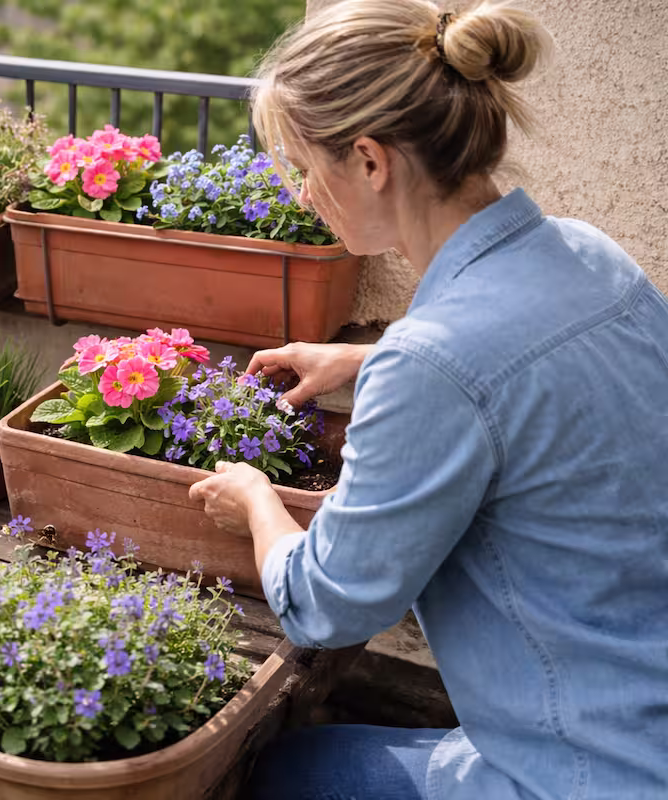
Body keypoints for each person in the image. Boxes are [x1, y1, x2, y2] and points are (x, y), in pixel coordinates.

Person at [188, 1, 668, 798]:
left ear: (371, 162)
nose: (306, 195)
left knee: (277, 773)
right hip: (639, 712)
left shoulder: (434, 364)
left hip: (584, 772)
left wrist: (254, 500)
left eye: (308, 167)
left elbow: (323, 607)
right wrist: (361, 357)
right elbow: (520, 365)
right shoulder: (594, 255)